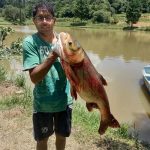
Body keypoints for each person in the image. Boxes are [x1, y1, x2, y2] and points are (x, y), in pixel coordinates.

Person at [22, 2, 73, 150]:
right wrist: (53, 54)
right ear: (34, 21)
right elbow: (34, 78)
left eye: (48, 17)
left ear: (54, 20)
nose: (44, 21)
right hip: (42, 104)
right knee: (42, 139)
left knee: (62, 136)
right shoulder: (30, 42)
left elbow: (76, 71)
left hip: (64, 101)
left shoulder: (64, 42)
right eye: (40, 17)